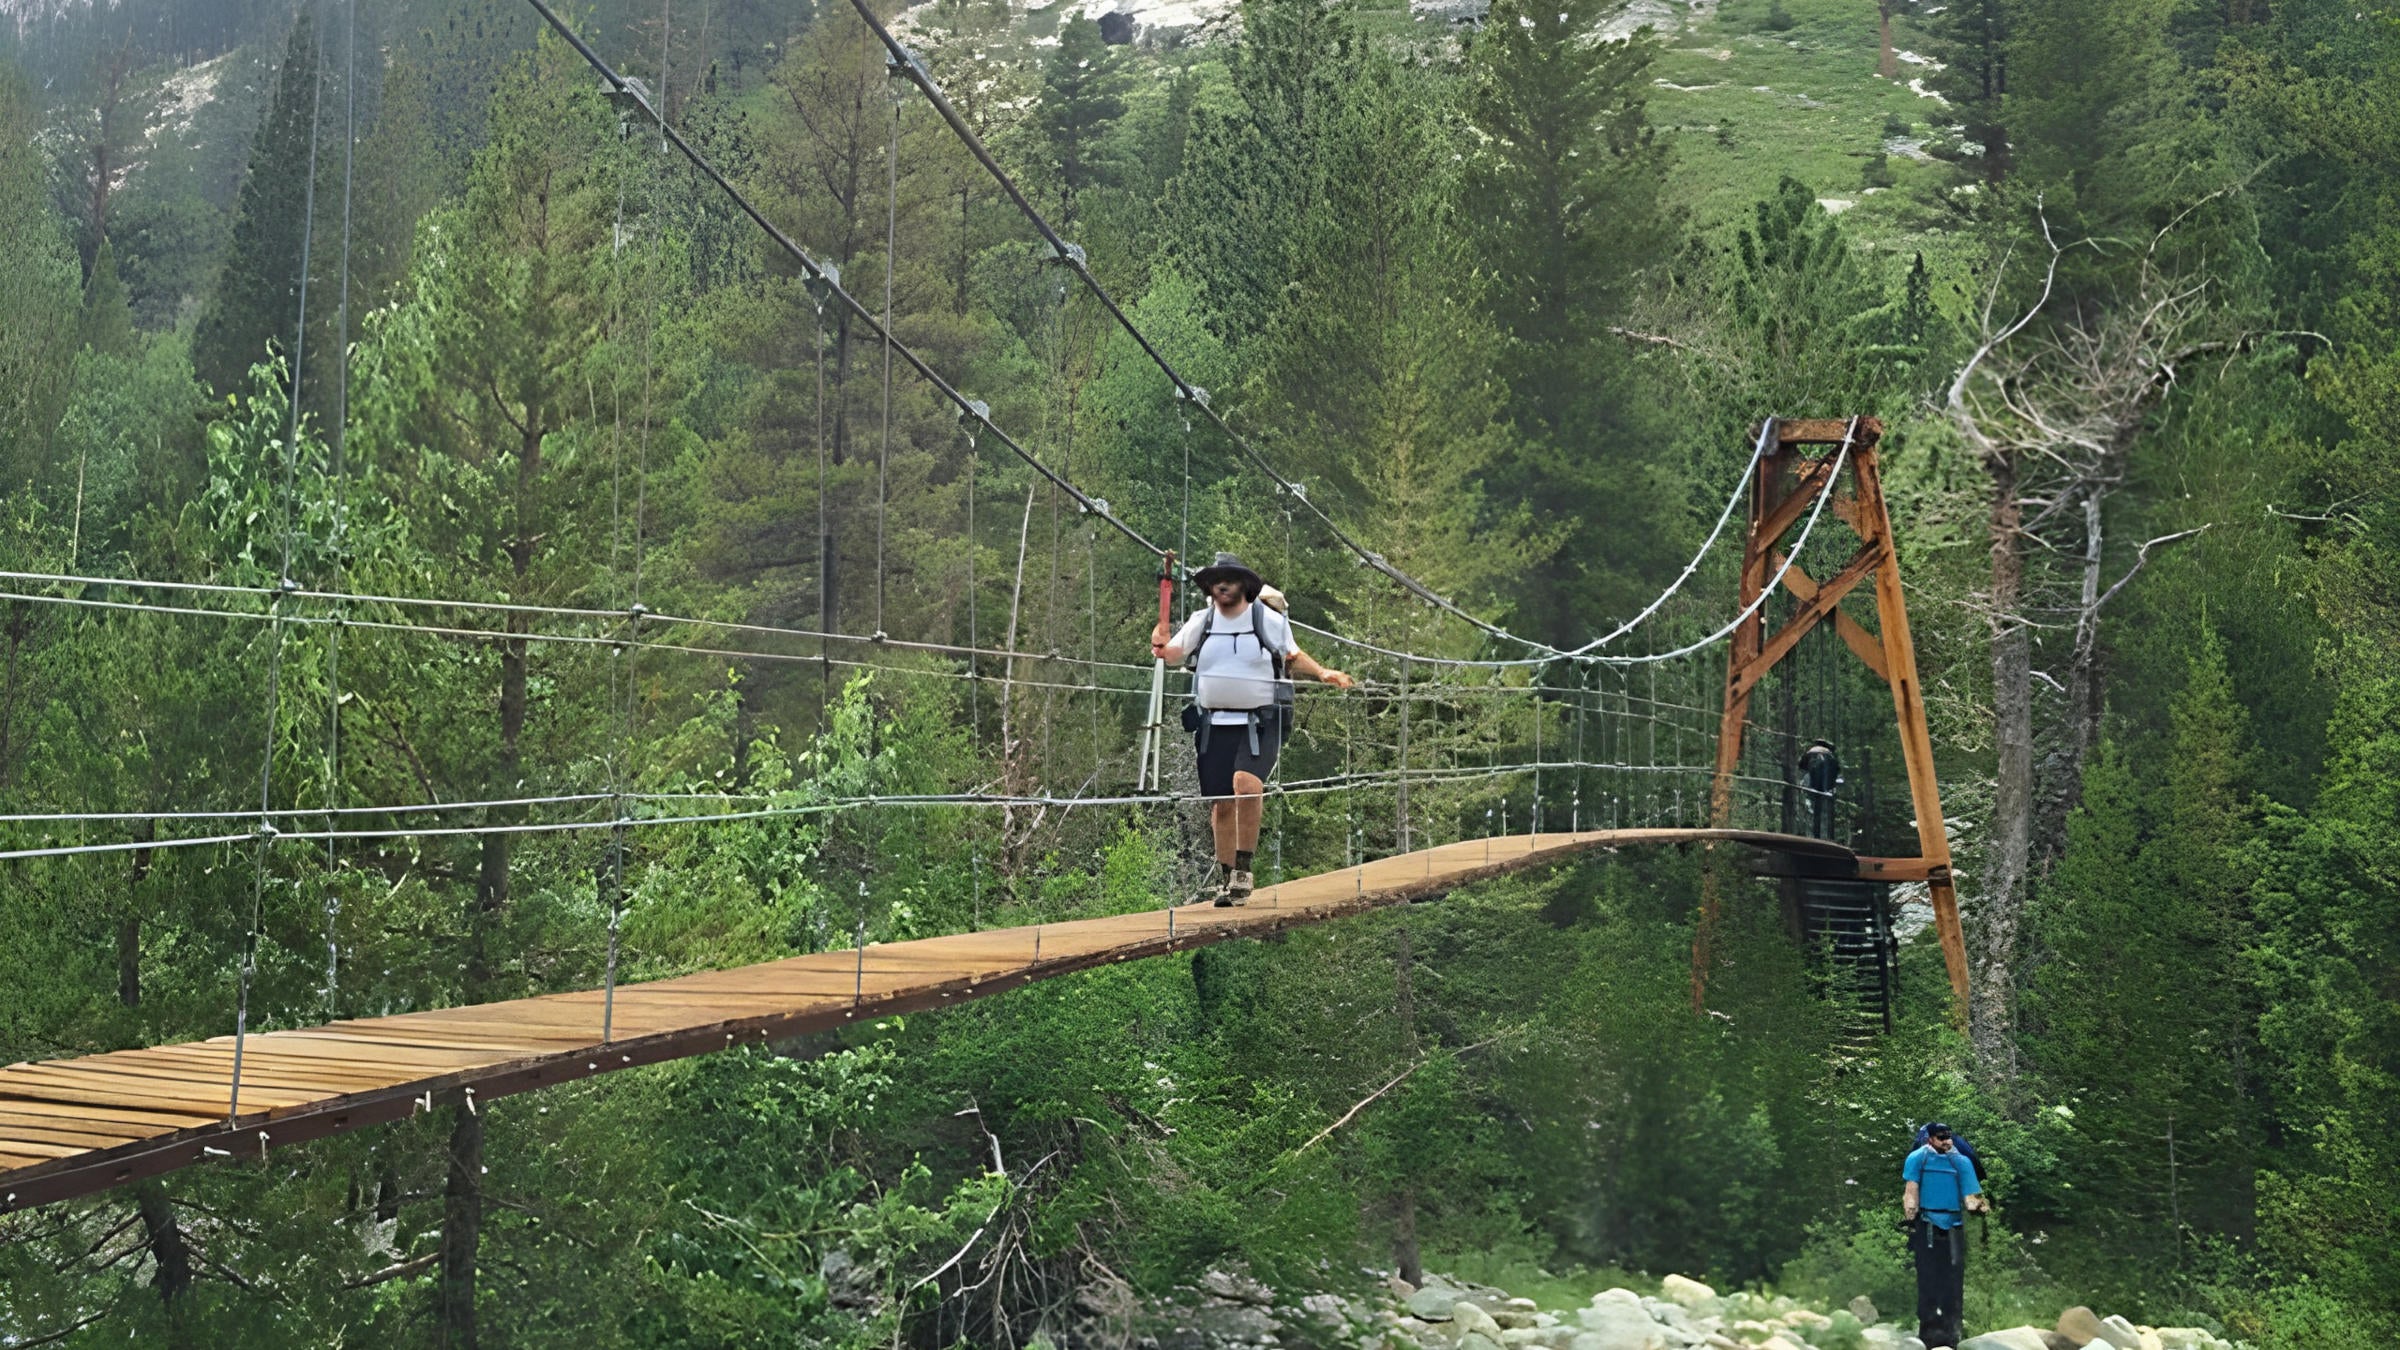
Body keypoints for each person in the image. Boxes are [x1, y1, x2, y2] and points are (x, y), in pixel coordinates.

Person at [1151, 554, 1353, 905]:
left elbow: (1292, 655)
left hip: (1261, 721)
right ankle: (1226, 877)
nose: (1223, 586)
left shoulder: (1267, 620)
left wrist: (1322, 673)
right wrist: (1159, 642)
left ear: (1244, 586)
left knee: (1246, 783)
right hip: (1214, 722)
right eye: (1217, 580)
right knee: (1221, 803)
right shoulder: (1203, 620)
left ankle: (1244, 869)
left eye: (1229, 579)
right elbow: (1171, 654)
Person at [1903, 1121, 1985, 1348]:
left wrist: (1910, 1222)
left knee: (1929, 1278)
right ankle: (1950, 1334)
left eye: (1948, 1136)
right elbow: (1972, 1202)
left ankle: (1930, 1335)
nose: (1946, 1141)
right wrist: (1984, 1209)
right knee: (1951, 1280)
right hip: (1952, 1228)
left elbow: (1910, 1196)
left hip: (1928, 1226)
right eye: (1942, 1138)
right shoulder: (1961, 1162)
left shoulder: (1918, 1159)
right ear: (1931, 1138)